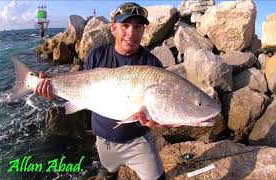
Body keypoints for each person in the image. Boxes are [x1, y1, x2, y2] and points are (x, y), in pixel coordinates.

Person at [35, 2, 175, 180]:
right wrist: (49, 86)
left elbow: (160, 112)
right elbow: (78, 86)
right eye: (125, 25)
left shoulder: (153, 65)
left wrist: (156, 123)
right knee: (107, 175)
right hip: (103, 142)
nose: (131, 33)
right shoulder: (97, 55)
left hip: (138, 142)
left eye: (137, 27)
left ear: (143, 30)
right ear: (113, 28)